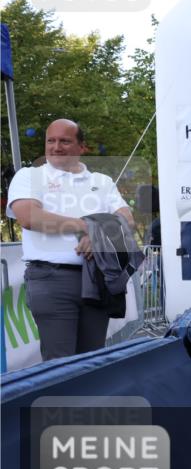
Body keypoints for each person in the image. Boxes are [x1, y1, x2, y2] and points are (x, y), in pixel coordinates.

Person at [6, 119, 136, 361]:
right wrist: (93, 227)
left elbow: (127, 219)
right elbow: (29, 217)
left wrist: (99, 233)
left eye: (65, 141)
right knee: (59, 364)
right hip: (51, 279)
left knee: (91, 361)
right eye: (51, 140)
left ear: (81, 147)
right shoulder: (29, 175)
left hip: (97, 277)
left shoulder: (102, 181)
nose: (56, 147)